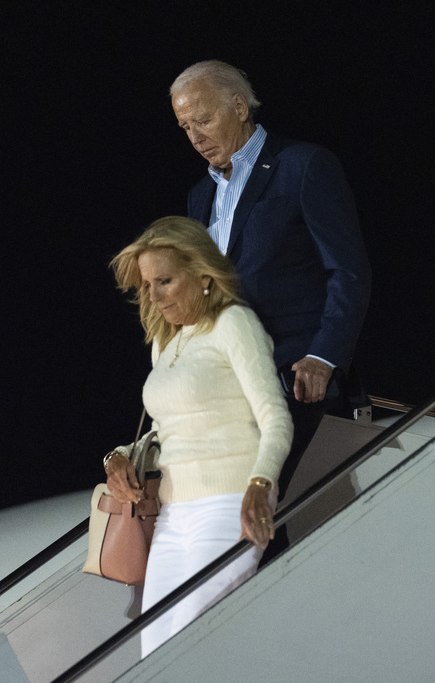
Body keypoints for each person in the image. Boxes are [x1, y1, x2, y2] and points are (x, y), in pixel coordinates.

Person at [169, 60, 371, 560]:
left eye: (204, 120)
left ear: (239, 106)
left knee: (275, 520)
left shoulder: (302, 165)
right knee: (233, 529)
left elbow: (348, 271)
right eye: (184, 127)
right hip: (228, 388)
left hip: (294, 377)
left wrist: (325, 356)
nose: (195, 137)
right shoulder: (199, 197)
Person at [105, 217, 293, 655]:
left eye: (165, 281)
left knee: (190, 643)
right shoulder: (165, 343)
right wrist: (117, 457)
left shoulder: (235, 324)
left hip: (230, 505)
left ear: (203, 275)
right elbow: (166, 430)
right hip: (174, 516)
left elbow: (276, 419)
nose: (153, 296)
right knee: (154, 653)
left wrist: (260, 485)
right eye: (147, 284)